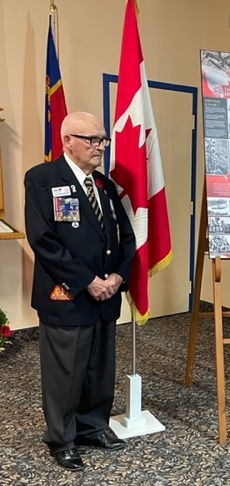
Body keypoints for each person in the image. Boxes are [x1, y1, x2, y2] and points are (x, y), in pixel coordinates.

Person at [24, 112, 136, 471]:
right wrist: (88, 280)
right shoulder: (42, 179)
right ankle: (62, 438)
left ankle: (92, 426)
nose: (99, 146)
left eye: (102, 140)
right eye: (92, 139)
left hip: (106, 294)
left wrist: (118, 277)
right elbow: (45, 241)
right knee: (66, 373)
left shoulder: (102, 185)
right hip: (68, 295)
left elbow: (125, 237)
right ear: (67, 140)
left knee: (99, 370)